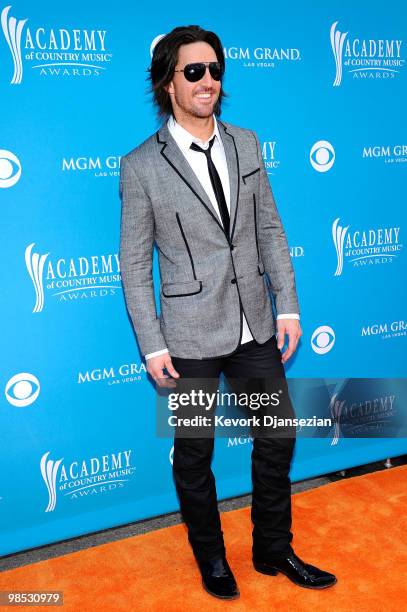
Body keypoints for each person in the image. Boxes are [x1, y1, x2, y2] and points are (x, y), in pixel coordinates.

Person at [119, 24, 337, 600]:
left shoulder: (246, 143)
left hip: (254, 326)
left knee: (276, 436)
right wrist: (152, 343)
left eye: (214, 70)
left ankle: (273, 548)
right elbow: (134, 264)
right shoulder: (141, 165)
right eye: (194, 71)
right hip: (187, 336)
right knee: (194, 452)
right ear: (168, 82)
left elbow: (269, 227)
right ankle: (212, 559)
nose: (207, 81)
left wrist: (286, 306)